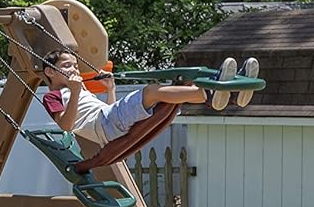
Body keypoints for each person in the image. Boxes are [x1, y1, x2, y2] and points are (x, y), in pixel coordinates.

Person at [38, 51, 260, 146]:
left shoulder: (79, 89)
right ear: (50, 72)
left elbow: (106, 112)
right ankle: (210, 94)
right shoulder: (53, 96)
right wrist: (77, 92)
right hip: (104, 127)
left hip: (108, 121)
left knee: (179, 86)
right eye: (67, 66)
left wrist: (111, 89)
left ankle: (229, 93)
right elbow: (66, 126)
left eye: (76, 66)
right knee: (152, 91)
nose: (74, 70)